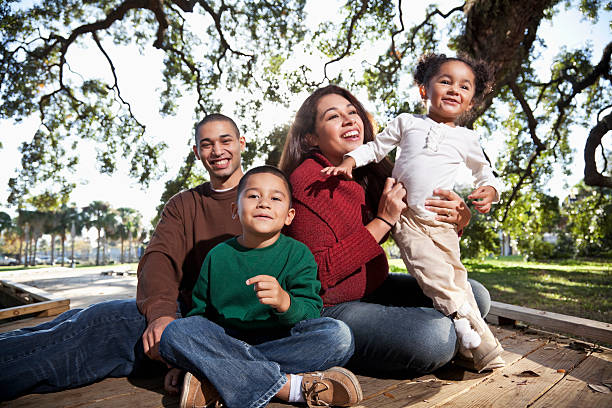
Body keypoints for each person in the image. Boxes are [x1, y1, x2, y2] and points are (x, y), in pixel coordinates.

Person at [0, 114, 348, 404]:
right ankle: (281, 385)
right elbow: (159, 259)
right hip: (203, 325)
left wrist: (286, 302)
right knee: (80, 322)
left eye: (226, 140)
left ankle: (213, 374)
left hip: (269, 329)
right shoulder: (186, 206)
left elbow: (308, 289)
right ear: (198, 152)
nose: (218, 150)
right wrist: (161, 315)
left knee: (337, 336)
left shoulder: (277, 198)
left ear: (241, 143)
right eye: (207, 144)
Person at [279, 84, 494, 377]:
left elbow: (419, 229)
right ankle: (342, 348)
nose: (349, 120)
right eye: (333, 116)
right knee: (435, 337)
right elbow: (319, 274)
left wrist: (458, 219)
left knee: (476, 297)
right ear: (311, 138)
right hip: (330, 305)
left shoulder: (370, 170)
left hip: (375, 287)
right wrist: (382, 221)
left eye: (352, 112)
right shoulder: (309, 182)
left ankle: (451, 337)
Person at [160, 165, 361, 407]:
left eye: (275, 198)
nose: (264, 203)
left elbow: (311, 312)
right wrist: (185, 360)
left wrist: (284, 302)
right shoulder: (217, 256)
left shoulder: (298, 254)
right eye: (254, 195)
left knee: (339, 336)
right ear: (235, 209)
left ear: (289, 216)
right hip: (226, 341)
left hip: (281, 340)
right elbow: (199, 316)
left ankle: (218, 379)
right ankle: (292, 389)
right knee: (175, 333)